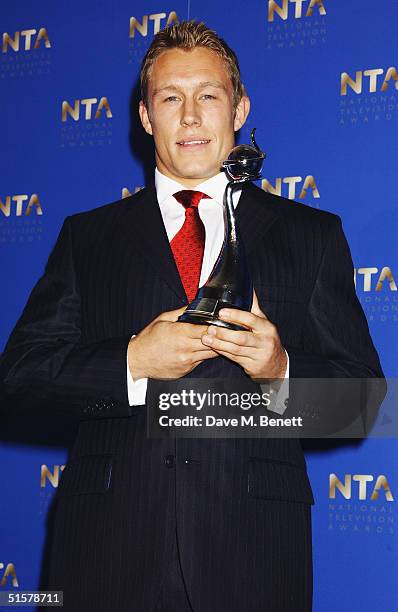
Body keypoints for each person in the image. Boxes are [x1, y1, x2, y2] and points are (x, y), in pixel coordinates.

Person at [0, 20, 385, 612]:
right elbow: (18, 381)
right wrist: (130, 363)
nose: (189, 116)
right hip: (107, 552)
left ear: (239, 108)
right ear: (145, 116)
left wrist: (280, 374)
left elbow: (362, 405)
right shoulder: (87, 238)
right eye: (170, 98)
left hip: (253, 553)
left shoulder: (312, 236)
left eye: (208, 96)